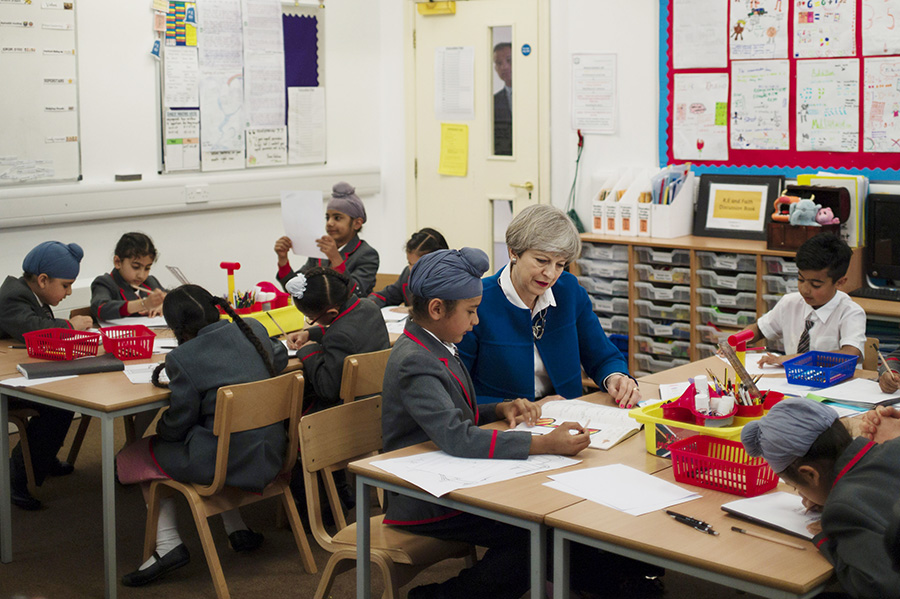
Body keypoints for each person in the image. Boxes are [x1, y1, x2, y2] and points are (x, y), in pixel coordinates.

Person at [383, 248, 660, 599]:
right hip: (422, 497)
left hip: (449, 477)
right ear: (437, 309)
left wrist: (501, 408)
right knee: (536, 535)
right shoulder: (416, 360)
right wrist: (544, 444)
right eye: (470, 311)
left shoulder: (436, 344)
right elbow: (457, 436)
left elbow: (457, 414)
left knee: (544, 528)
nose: (476, 321)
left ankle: (613, 580)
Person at [115, 285, 289, 587]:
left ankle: (168, 545)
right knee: (217, 438)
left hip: (225, 463)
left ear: (176, 329)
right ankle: (237, 529)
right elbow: (280, 356)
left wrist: (164, 431)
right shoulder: (253, 329)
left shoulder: (184, 357)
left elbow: (178, 423)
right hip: (273, 453)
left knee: (137, 455)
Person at [457, 204, 640, 409]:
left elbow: (602, 355)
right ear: (513, 252)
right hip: (503, 421)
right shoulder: (478, 301)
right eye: (542, 260)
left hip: (566, 416)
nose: (550, 274)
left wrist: (616, 377)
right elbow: (457, 392)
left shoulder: (568, 291)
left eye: (560, 264)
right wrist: (507, 408)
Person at [742, 397, 900, 598]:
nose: (802, 496)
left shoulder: (842, 510)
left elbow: (879, 587)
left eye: (795, 486)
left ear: (810, 474)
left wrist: (829, 539)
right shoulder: (894, 445)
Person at [0, 241, 91, 510]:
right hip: (6, 383)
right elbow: (34, 330)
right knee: (57, 404)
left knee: (64, 398)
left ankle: (40, 458)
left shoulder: (29, 294)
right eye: (66, 285)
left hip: (15, 372)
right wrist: (70, 326)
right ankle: (17, 475)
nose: (69, 292)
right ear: (42, 280)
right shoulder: (12, 296)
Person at [735, 233, 865, 367]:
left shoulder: (850, 312)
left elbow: (851, 354)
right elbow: (759, 329)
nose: (805, 289)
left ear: (840, 282)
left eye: (816, 285)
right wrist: (737, 341)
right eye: (801, 279)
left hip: (837, 379)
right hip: (792, 379)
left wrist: (797, 359)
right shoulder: (790, 303)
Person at [284, 267, 390, 414]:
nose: (311, 321)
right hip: (381, 399)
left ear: (332, 312)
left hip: (351, 411)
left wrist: (309, 351)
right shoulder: (369, 306)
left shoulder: (338, 336)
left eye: (311, 318)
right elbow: (350, 330)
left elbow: (327, 390)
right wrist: (309, 333)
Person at [274, 181, 379, 297]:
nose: (329, 223)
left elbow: (355, 293)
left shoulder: (367, 254)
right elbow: (296, 289)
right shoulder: (319, 250)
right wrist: (283, 259)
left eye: (337, 218)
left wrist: (335, 258)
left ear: (357, 223)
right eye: (327, 218)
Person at [90, 232, 167, 321]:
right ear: (118, 262)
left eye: (147, 268)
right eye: (136, 267)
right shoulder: (105, 283)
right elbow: (101, 308)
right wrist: (143, 304)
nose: (141, 275)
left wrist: (163, 305)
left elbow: (172, 299)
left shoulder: (150, 281)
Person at [368, 227, 448, 308]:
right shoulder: (407, 275)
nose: (412, 269)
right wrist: (370, 302)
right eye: (410, 263)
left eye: (418, 265)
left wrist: (413, 310)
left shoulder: (450, 281)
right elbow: (387, 295)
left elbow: (443, 309)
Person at [492, 42, 512, 156]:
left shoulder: (536, 95)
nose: (504, 67)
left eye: (509, 60)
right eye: (499, 63)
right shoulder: (493, 102)